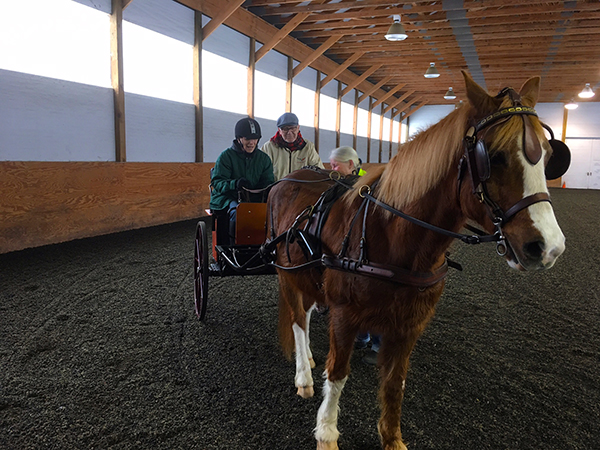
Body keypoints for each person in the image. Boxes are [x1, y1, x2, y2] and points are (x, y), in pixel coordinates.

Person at [328, 147, 381, 365]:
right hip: (350, 245)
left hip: (368, 246)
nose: (332, 169)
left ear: (351, 164)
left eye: (335, 165)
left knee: (372, 294)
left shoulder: (367, 184)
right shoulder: (342, 182)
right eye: (331, 165)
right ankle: (362, 336)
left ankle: (379, 345)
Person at [210, 117, 274, 244]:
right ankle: (234, 248)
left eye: (254, 139)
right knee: (237, 213)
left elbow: (268, 181)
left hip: (255, 198)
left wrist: (264, 189)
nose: (251, 142)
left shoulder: (264, 159)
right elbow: (217, 182)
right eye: (247, 139)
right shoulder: (226, 157)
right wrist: (235, 184)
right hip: (228, 197)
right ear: (239, 139)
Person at [261, 112, 324, 181]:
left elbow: (319, 171)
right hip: (276, 189)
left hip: (301, 189)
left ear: (298, 128)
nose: (289, 132)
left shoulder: (308, 147)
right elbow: (262, 172)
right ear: (279, 130)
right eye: (285, 129)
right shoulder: (268, 147)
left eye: (293, 128)